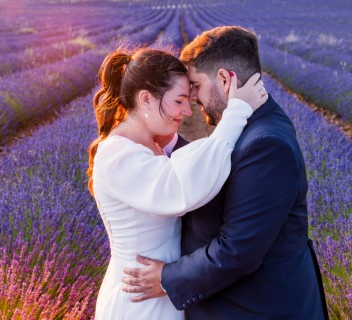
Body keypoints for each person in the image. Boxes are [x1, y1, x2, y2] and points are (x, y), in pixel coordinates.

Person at [121, 26, 329, 319]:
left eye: (195, 85)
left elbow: (238, 250)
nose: (192, 96)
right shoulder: (256, 123)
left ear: (223, 79)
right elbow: (215, 157)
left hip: (258, 309)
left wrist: (168, 278)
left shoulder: (266, 143)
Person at [87, 47, 267, 320]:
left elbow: (192, 164)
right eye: (179, 101)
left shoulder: (148, 146)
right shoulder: (117, 155)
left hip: (160, 293)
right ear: (146, 99)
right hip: (138, 301)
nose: (187, 111)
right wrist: (237, 112)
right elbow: (184, 189)